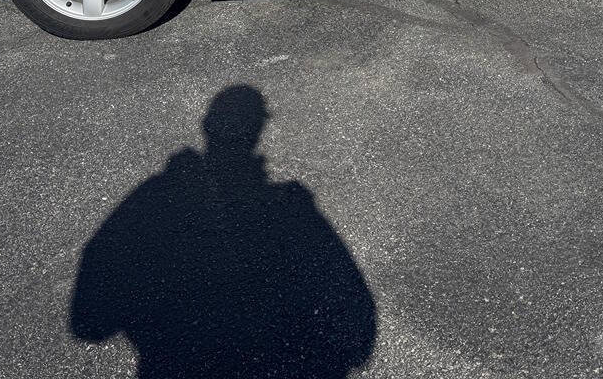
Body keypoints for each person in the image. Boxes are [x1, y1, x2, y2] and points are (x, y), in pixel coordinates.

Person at [69, 85, 377, 378]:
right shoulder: (290, 205)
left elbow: (89, 321)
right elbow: (357, 330)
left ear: (206, 125)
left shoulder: (155, 197)